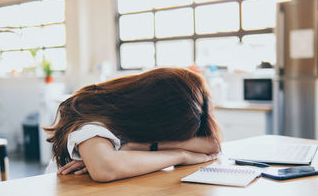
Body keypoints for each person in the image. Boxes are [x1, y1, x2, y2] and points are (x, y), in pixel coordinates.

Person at [44, 67, 221, 182]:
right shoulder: (91, 116)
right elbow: (105, 168)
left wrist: (141, 146)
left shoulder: (140, 125)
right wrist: (181, 156)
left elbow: (211, 145)